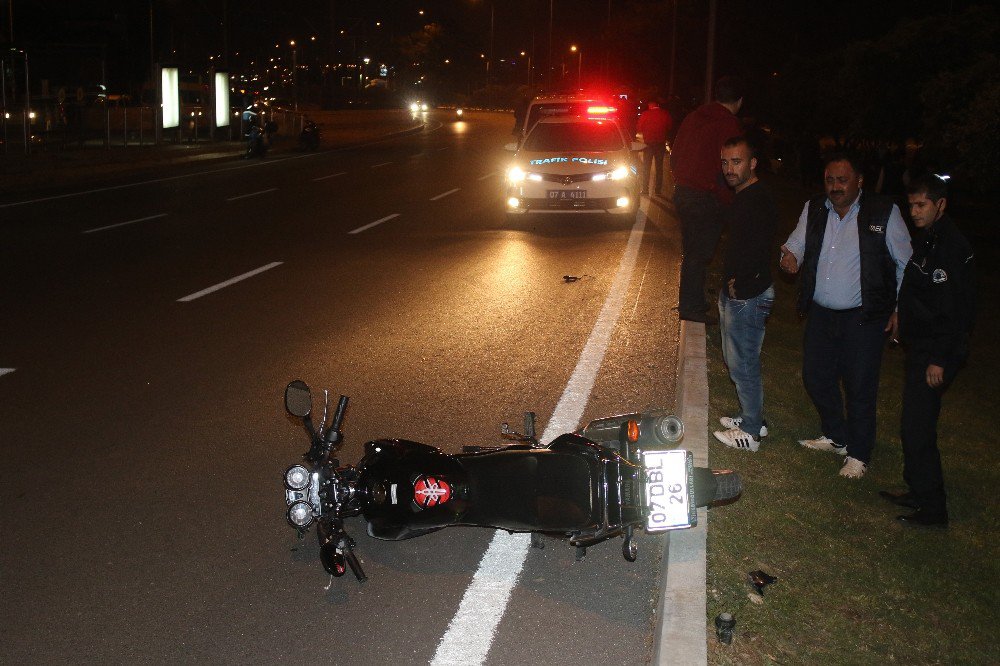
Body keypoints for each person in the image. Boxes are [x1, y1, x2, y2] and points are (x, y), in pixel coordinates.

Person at [779, 153, 912, 478]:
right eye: (830, 180)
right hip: (822, 313)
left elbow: (906, 262)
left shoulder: (883, 212)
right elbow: (795, 242)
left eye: (842, 180)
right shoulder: (814, 209)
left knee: (859, 385)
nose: (835, 187)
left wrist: (899, 308)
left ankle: (859, 453)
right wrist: (789, 256)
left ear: (860, 181)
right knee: (815, 375)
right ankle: (837, 435)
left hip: (863, 316)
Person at [881, 174, 975, 527]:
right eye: (911, 205)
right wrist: (900, 314)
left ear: (941, 205)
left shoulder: (951, 246)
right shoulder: (930, 238)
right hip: (920, 347)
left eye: (921, 205)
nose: (915, 212)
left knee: (919, 427)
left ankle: (933, 510)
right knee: (911, 425)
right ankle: (918, 490)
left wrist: (939, 358)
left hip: (936, 352)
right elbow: (919, 290)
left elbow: (954, 310)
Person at [712, 137, 778, 452]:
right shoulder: (742, 196)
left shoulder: (758, 199)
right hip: (737, 292)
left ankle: (750, 434)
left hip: (747, 297)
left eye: (736, 161)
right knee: (735, 359)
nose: (729, 168)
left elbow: (761, 248)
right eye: (725, 162)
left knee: (745, 362)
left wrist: (742, 285)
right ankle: (753, 417)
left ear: (752, 163)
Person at [671, 76, 744, 323]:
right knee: (699, 254)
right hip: (705, 196)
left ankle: (693, 301)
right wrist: (728, 202)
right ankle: (691, 307)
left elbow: (676, 153)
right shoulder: (728, 125)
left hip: (683, 192)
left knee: (692, 250)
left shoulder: (694, 117)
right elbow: (730, 168)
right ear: (740, 101)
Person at [635, 98, 672, 197]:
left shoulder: (645, 114)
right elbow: (669, 126)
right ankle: (658, 190)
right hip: (660, 143)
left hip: (648, 144)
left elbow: (639, 127)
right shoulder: (665, 114)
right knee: (659, 167)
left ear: (650, 105)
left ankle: (645, 189)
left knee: (646, 167)